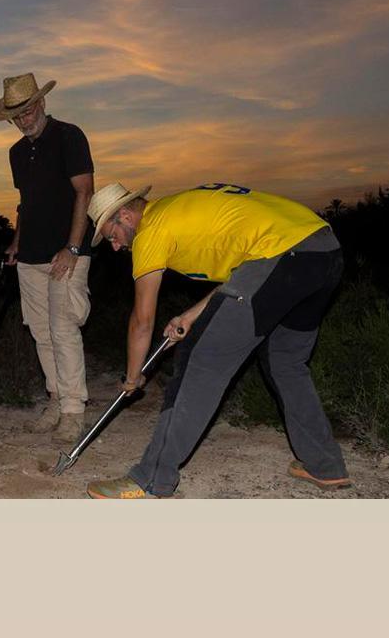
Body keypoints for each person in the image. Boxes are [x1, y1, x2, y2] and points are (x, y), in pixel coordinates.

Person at [83, 182, 350, 498]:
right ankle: (325, 465)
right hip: (323, 251)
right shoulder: (178, 209)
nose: (115, 247)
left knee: (200, 359)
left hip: (282, 255)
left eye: (111, 236)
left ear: (125, 215)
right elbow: (246, 275)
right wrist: (189, 317)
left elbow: (142, 320)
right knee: (286, 362)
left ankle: (151, 477)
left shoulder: (151, 230)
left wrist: (132, 376)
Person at [0, 72, 96, 442]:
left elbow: (84, 192)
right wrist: (17, 241)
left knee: (64, 327)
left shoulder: (69, 136)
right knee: (40, 331)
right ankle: (55, 398)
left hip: (66, 250)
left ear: (42, 103)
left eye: (28, 109)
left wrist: (73, 247)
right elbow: (26, 203)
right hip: (31, 253)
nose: (23, 119)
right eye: (16, 115)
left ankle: (73, 410)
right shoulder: (16, 153)